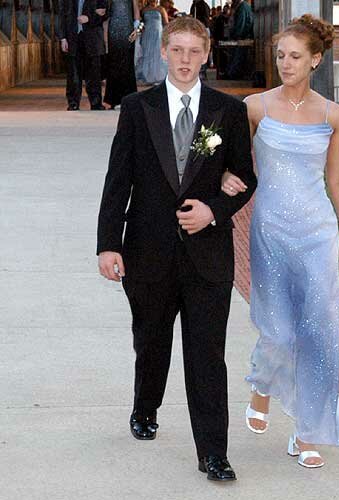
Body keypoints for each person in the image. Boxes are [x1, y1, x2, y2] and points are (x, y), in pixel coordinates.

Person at [97, 16, 257, 481]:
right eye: (177, 50)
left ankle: (213, 453)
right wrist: (108, 245)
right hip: (147, 251)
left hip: (208, 254)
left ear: (206, 55)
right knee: (151, 341)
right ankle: (145, 406)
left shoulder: (228, 110)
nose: (185, 60)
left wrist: (213, 210)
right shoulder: (137, 107)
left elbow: (245, 178)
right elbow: (118, 180)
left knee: (207, 355)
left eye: (194, 51)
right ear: (163, 52)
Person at [221, 14, 339, 468]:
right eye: (280, 55)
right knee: (279, 330)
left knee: (319, 333)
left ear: (315, 60)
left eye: (295, 56)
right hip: (271, 232)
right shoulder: (255, 108)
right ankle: (262, 384)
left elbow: (336, 179)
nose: (285, 63)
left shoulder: (332, 115)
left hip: (317, 233)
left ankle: (308, 432)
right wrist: (221, 179)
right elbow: (234, 164)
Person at [58, 0, 107, 110]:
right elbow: (62, 15)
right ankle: (73, 103)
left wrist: (89, 18)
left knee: (94, 72)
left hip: (92, 37)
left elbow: (105, 14)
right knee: (73, 73)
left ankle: (96, 102)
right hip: (73, 37)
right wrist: (63, 38)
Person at [104, 0, 141, 109]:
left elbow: (136, 11)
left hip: (128, 31)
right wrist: (105, 38)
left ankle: (129, 99)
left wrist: (136, 29)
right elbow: (106, 16)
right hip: (113, 30)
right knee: (114, 63)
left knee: (127, 63)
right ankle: (114, 100)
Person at [136, 0, 169, 84]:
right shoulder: (144, 10)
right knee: (147, 52)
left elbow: (166, 23)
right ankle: (146, 75)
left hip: (158, 34)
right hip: (147, 33)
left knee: (157, 53)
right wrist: (140, 29)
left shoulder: (161, 9)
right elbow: (141, 22)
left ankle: (158, 75)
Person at [226, 0, 253, 79]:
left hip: (242, 38)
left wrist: (236, 35)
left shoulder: (242, 7)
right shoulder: (244, 6)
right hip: (242, 36)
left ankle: (233, 74)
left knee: (238, 57)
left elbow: (241, 24)